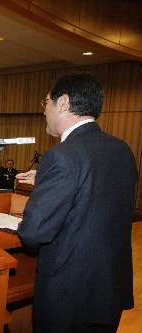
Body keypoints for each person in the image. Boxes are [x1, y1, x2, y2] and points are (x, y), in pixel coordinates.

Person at [16, 73, 137, 333]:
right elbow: (97, 195)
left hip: (68, 296)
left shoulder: (61, 156)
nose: (44, 110)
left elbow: (33, 233)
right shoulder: (122, 150)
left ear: (63, 103)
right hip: (109, 290)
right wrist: (48, 180)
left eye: (45, 102)